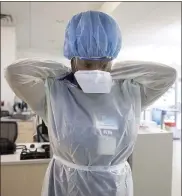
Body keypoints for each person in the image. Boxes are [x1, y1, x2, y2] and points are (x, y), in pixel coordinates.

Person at [5, 11, 176, 196]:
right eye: (87, 64)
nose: (96, 70)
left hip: (115, 186)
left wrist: (114, 72)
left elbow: (167, 75)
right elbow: (14, 72)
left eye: (104, 64)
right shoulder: (55, 92)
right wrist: (63, 73)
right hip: (67, 185)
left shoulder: (129, 91)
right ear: (73, 60)